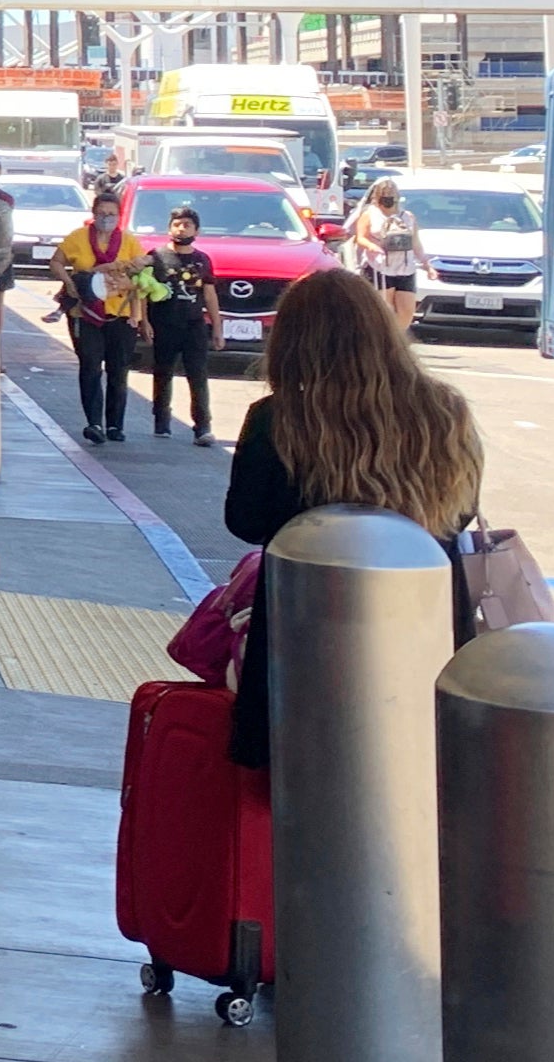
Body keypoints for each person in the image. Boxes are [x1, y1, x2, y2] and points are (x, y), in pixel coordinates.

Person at [221, 272, 480, 769]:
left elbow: (246, 521)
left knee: (304, 790)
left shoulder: (277, 418)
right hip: (425, 629)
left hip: (305, 639)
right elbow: (461, 514)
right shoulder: (445, 411)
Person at [52, 187, 149, 443]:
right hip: (84, 313)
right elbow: (56, 262)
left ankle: (115, 425)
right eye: (102, 213)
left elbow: (143, 279)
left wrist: (136, 311)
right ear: (93, 214)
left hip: (120, 313)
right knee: (90, 366)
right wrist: (70, 283)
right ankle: (94, 422)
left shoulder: (129, 242)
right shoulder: (78, 237)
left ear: (119, 216)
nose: (106, 217)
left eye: (112, 213)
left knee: (118, 370)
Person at [145, 205, 225, 443]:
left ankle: (202, 426)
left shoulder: (202, 260)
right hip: (164, 324)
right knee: (162, 372)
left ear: (197, 230)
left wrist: (217, 329)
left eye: (187, 225)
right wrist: (144, 322)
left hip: (194, 325)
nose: (181, 229)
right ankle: (161, 421)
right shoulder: (156, 256)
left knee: (198, 374)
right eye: (177, 224)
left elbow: (209, 296)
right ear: (169, 228)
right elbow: (142, 291)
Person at [338, 178, 431, 310]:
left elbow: (415, 243)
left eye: (391, 194)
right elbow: (361, 237)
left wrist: (426, 264)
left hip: (405, 268)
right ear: (377, 196)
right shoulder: (369, 215)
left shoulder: (408, 217)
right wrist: (372, 246)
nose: (388, 197)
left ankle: (400, 330)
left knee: (406, 311)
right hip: (379, 268)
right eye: (384, 194)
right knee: (382, 309)